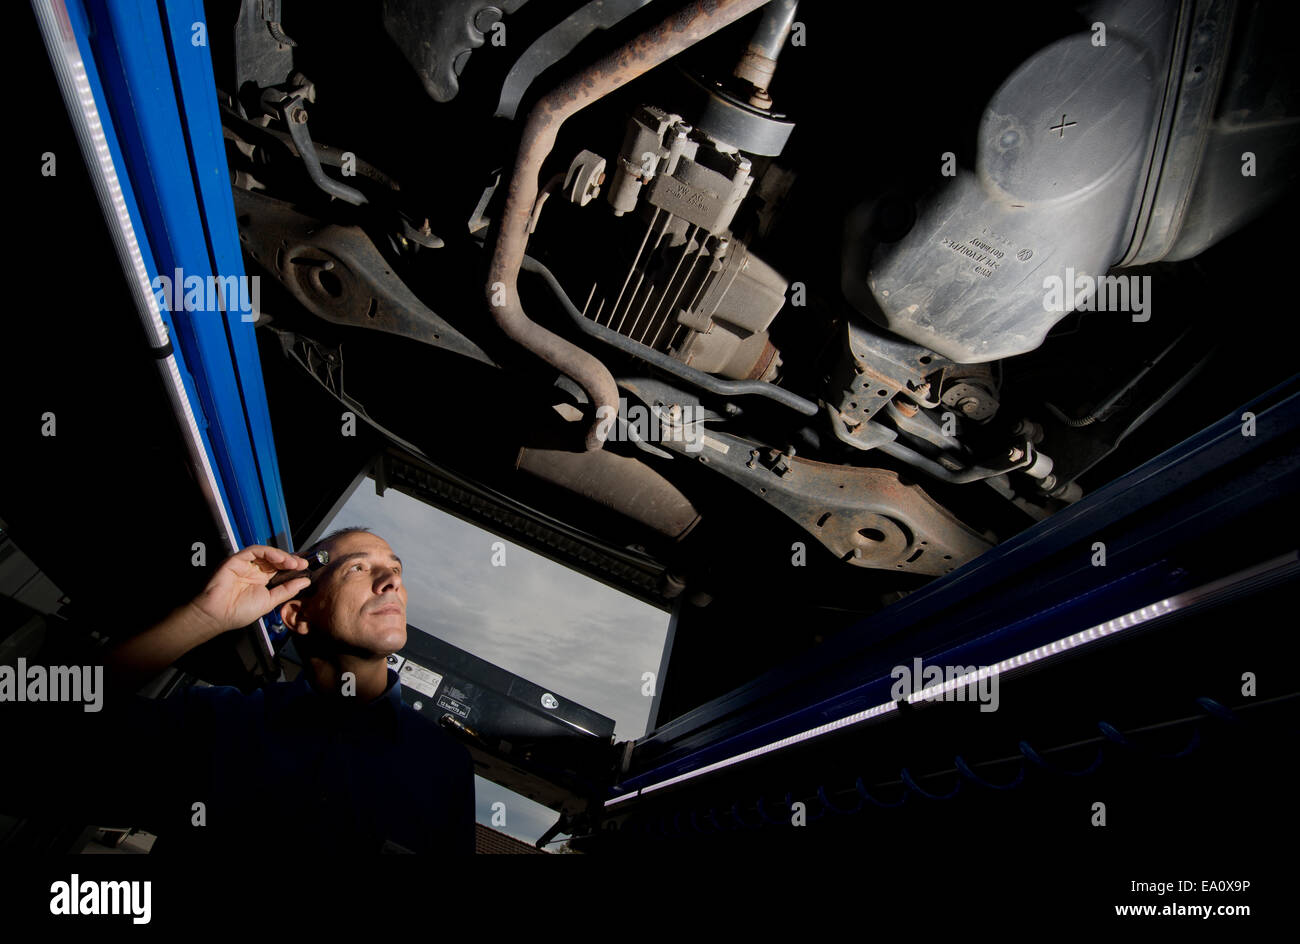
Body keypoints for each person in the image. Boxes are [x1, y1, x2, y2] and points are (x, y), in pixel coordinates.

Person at [17, 527, 475, 854]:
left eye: (395, 569)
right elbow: (39, 735)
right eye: (359, 567)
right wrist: (205, 618)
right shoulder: (216, 723)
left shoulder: (444, 765)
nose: (392, 581)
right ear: (298, 615)